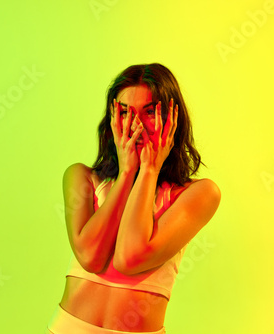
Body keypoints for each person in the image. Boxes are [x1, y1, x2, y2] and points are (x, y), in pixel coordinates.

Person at [45, 63, 221, 333]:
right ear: (112, 120)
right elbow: (90, 257)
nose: (135, 125)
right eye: (125, 112)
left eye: (150, 112)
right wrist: (127, 172)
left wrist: (149, 169)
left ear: (174, 118)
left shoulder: (198, 194)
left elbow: (130, 258)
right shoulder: (82, 179)